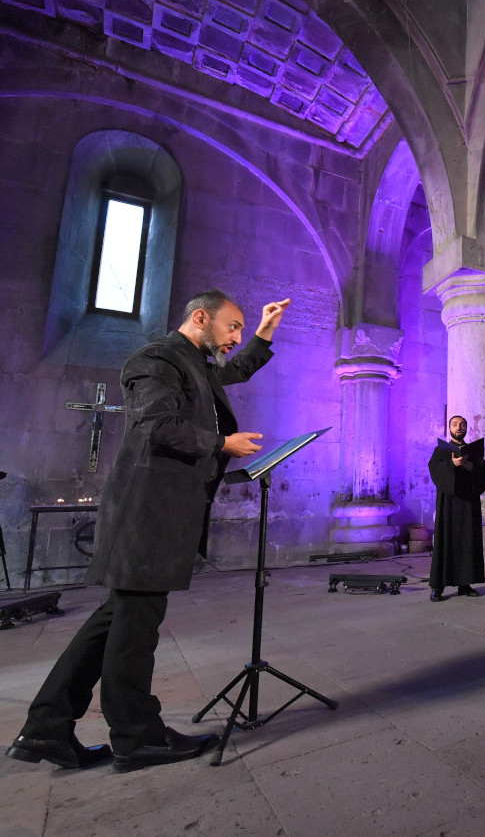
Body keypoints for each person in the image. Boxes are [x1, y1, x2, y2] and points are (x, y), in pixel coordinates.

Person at [6, 290, 287, 773]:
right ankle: (137, 737)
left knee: (116, 618)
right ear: (200, 318)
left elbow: (231, 373)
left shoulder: (194, 365)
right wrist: (221, 442)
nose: (235, 337)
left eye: (241, 330)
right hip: (148, 511)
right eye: (232, 327)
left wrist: (263, 333)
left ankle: (46, 728)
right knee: (136, 629)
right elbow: (156, 423)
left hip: (157, 512)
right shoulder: (156, 358)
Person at [427, 415, 485, 601]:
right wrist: (451, 465)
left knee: (468, 542)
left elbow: (484, 473)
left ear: (466, 428)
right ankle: (437, 588)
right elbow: (435, 471)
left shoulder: (474, 452)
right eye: (455, 424)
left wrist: (472, 469)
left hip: (468, 504)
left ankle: (465, 584)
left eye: (462, 425)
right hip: (449, 505)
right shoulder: (441, 451)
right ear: (449, 428)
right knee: (444, 542)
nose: (459, 427)